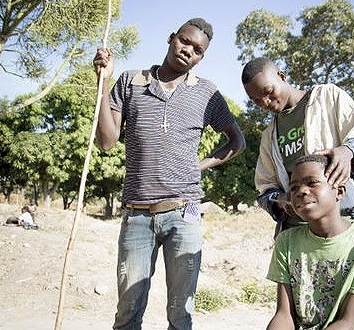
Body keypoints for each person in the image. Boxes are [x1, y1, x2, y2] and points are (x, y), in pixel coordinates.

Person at [93, 17, 246, 330]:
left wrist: (200, 165)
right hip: (137, 213)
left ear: (202, 57)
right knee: (127, 313)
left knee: (181, 312)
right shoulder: (130, 81)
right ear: (171, 37)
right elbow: (107, 143)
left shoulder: (207, 93)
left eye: (198, 50)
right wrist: (103, 83)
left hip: (184, 212)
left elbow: (238, 141)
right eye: (185, 42)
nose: (189, 51)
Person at [241, 57, 354, 328]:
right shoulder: (270, 135)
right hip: (299, 241)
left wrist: (347, 150)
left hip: (341, 231)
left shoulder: (327, 97)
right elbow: (265, 187)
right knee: (298, 311)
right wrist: (281, 200)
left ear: (281, 75)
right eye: (257, 101)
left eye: (268, 93)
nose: (266, 103)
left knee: (352, 315)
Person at [265, 154, 354, 330]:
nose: (301, 191)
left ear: (339, 191)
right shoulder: (286, 241)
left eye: (312, 183)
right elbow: (283, 314)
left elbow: (348, 322)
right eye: (293, 188)